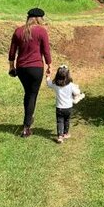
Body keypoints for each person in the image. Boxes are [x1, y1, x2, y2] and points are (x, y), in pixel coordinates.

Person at [8, 8, 52, 137]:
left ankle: (28, 118)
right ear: (39, 19)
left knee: (28, 94)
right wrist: (49, 65)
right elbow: (46, 50)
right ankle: (27, 126)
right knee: (32, 95)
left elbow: (12, 52)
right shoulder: (41, 31)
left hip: (21, 68)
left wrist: (11, 67)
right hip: (36, 68)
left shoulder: (18, 31)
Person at [46, 65, 82, 144]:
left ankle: (60, 137)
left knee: (60, 121)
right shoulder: (70, 85)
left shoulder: (55, 84)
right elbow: (77, 92)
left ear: (57, 75)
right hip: (68, 107)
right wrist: (77, 89)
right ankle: (65, 133)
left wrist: (47, 76)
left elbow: (48, 84)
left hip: (59, 108)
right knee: (67, 120)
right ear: (68, 75)